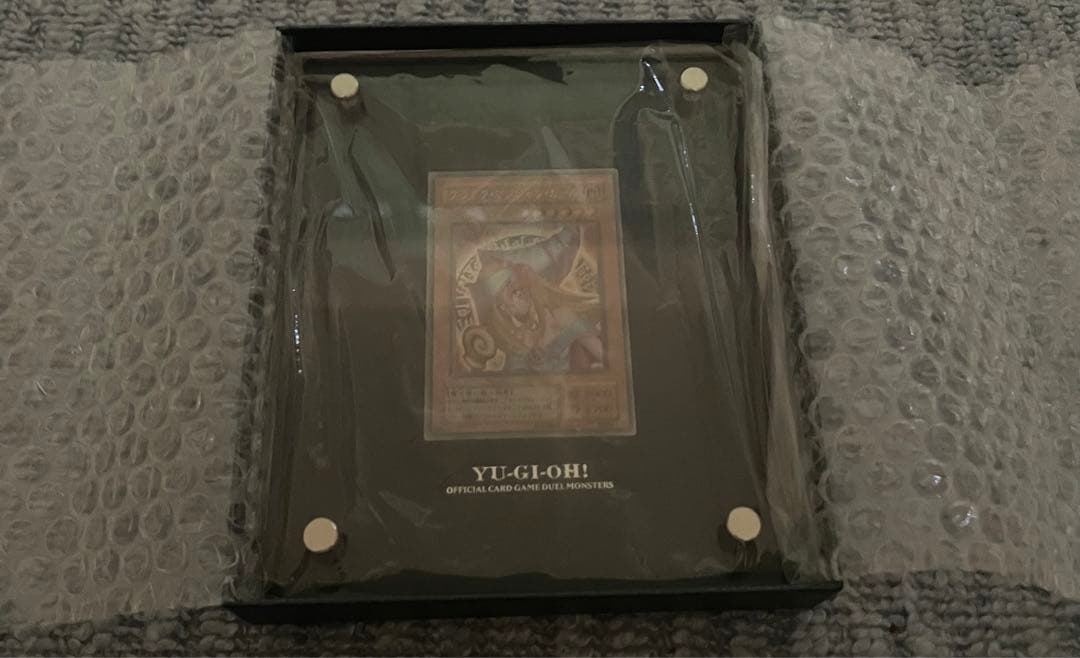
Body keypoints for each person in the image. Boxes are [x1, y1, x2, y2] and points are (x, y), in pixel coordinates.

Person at [463, 225, 604, 373]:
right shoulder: (515, 346)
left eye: (515, 283)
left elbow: (604, 357)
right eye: (511, 291)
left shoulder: (560, 315)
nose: (519, 292)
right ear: (502, 307)